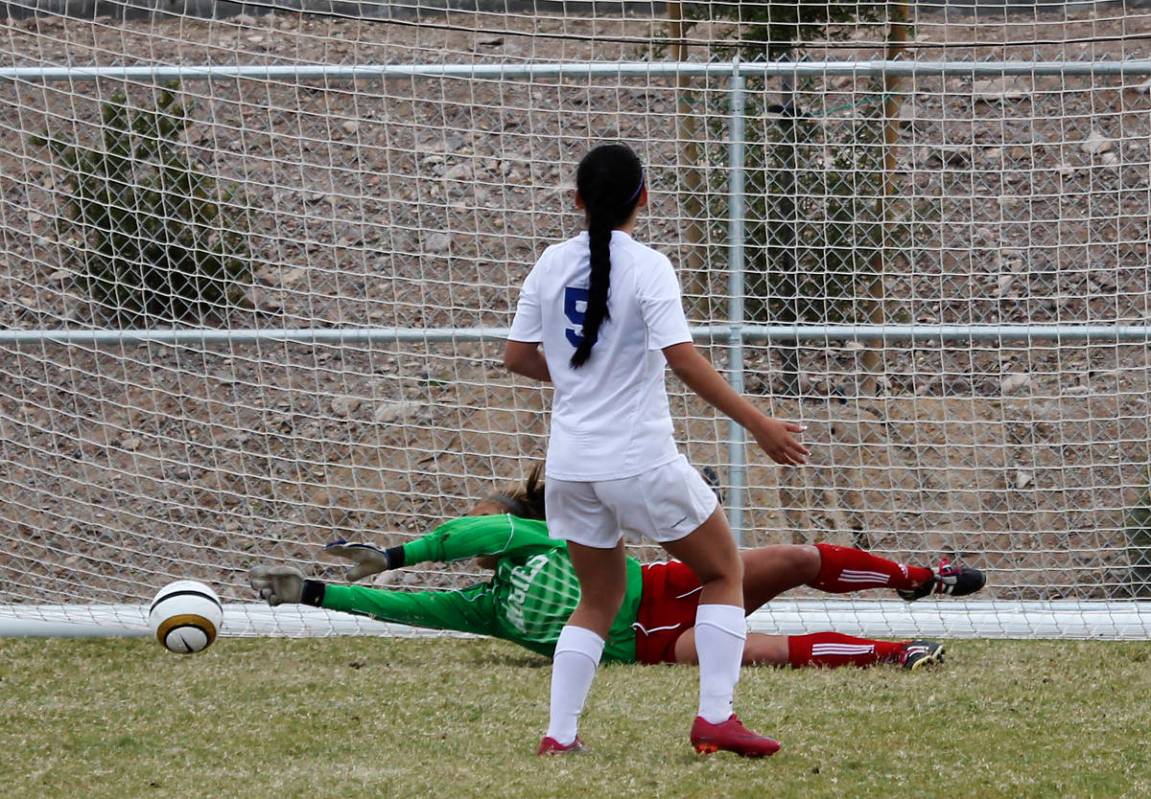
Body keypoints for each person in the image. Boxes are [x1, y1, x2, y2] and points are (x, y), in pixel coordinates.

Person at [504, 141, 810, 756]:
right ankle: (716, 719)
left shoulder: (548, 263)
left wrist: (578, 379)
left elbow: (516, 357)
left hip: (570, 466)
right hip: (638, 460)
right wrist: (759, 424)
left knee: (597, 599)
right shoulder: (649, 266)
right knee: (725, 572)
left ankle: (559, 735)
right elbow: (684, 360)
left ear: (577, 201)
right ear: (644, 197)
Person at [249, 470, 985, 679]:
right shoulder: (484, 607)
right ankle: (895, 653)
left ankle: (916, 575)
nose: (469, 536)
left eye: (485, 517)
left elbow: (469, 531)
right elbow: (407, 611)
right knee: (750, 651)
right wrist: (315, 592)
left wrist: (398, 551)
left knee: (795, 557)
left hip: (668, 585)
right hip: (652, 642)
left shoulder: (540, 533)